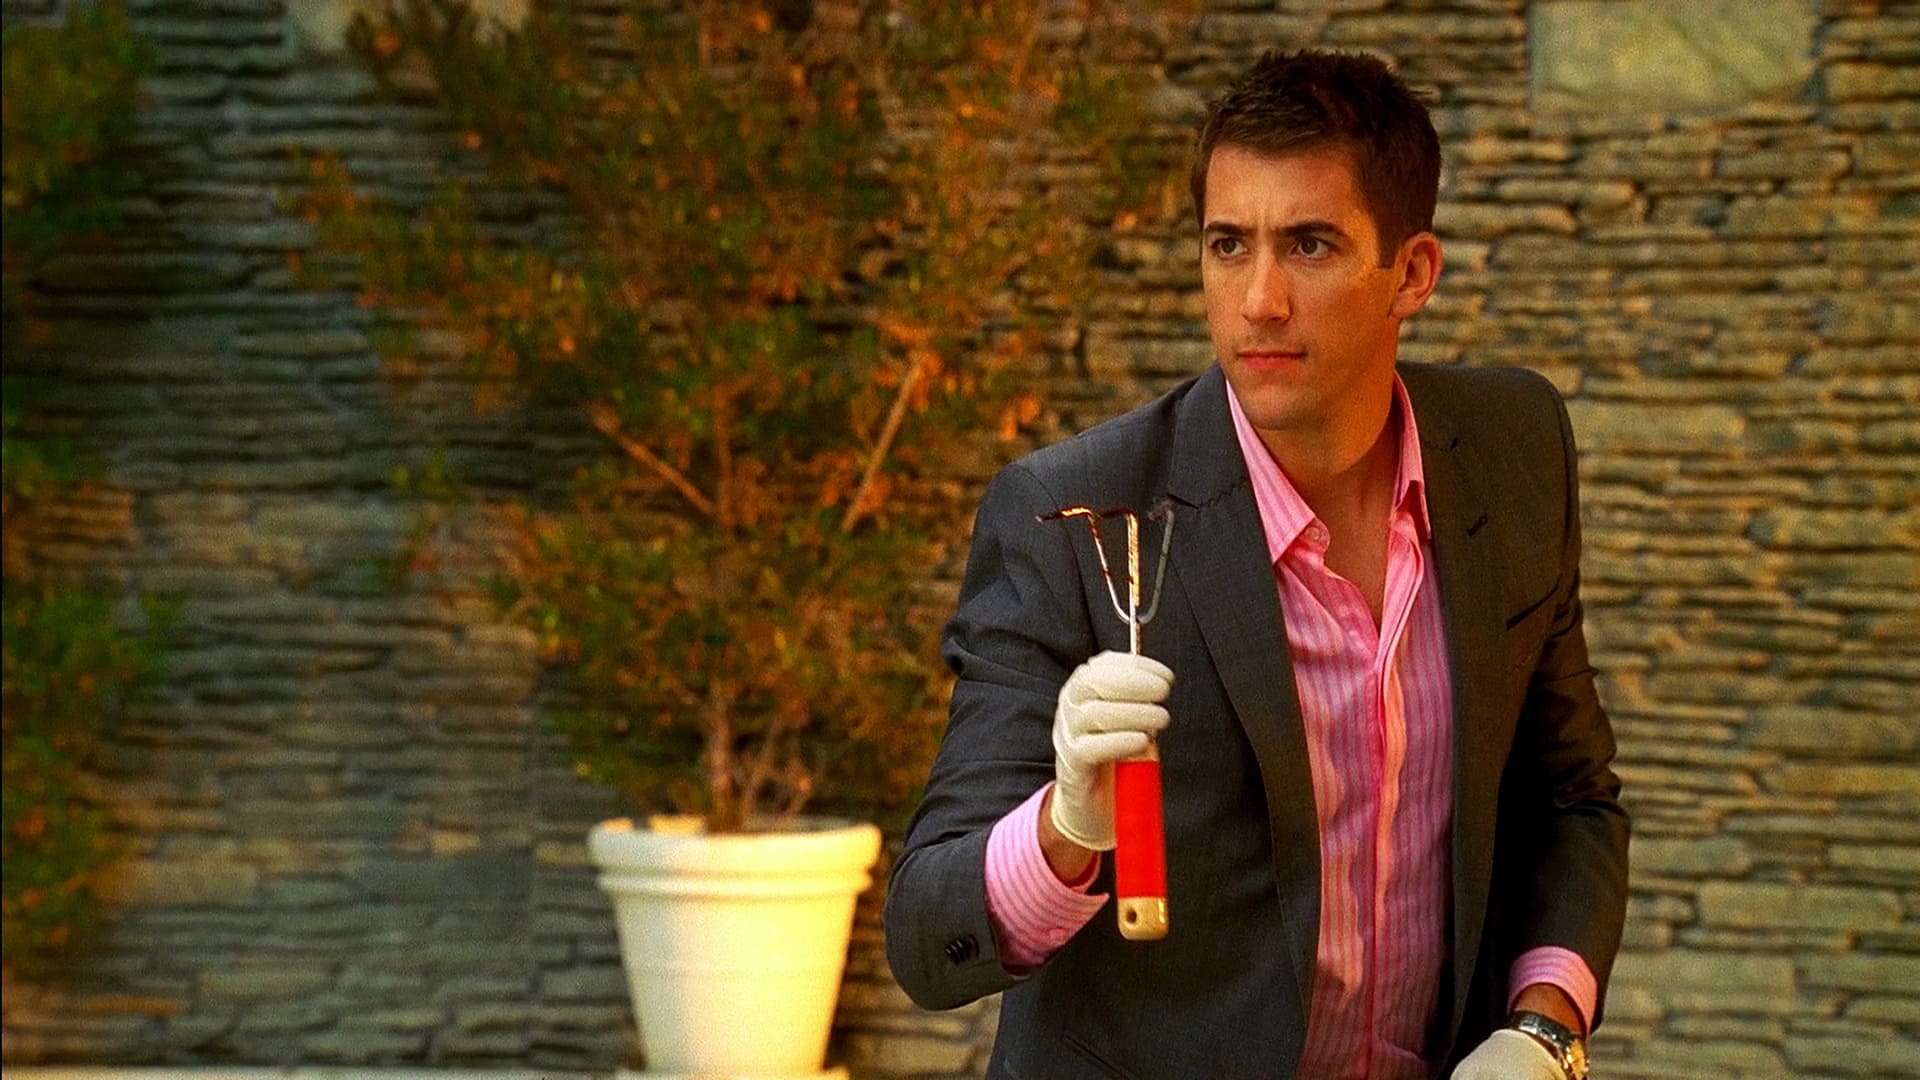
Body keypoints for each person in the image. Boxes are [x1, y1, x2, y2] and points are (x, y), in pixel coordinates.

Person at [883, 47, 1630, 1080]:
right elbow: (925, 939)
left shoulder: (1515, 448)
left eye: (1309, 245)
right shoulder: (1071, 514)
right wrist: (1063, 829)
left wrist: (1544, 1029)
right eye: (1228, 245)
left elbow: (1569, 798)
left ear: (1412, 273)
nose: (1259, 300)